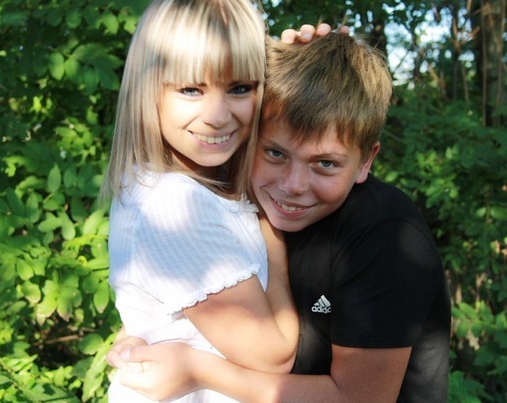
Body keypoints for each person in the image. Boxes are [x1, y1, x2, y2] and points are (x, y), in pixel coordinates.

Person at [107, 33, 452, 402]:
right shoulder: (241, 201)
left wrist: (199, 370)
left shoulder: (385, 237)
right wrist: (152, 334)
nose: (292, 185)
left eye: (325, 164)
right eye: (275, 153)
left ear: (366, 160)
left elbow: (359, 399)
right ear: (249, 136)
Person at [102, 0, 300, 401]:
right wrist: (274, 237)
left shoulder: (175, 182)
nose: (217, 115)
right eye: (191, 89)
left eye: (239, 88)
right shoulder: (175, 206)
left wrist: (306, 69)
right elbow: (275, 356)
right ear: (147, 90)